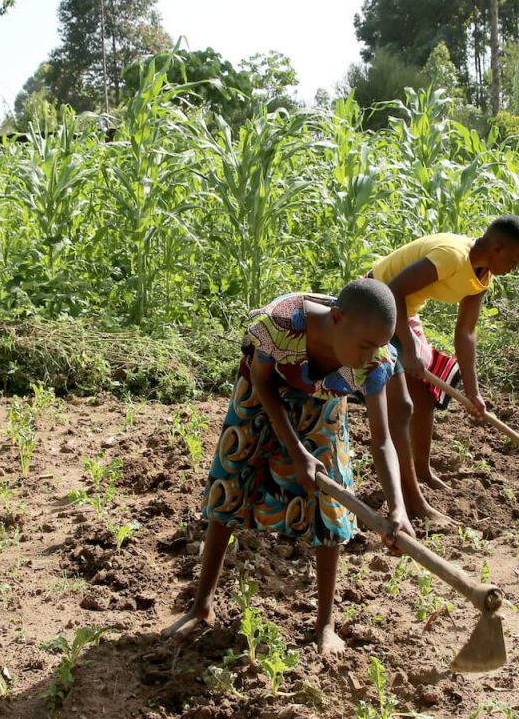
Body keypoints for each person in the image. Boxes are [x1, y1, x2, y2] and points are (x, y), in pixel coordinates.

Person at [162, 278, 413, 654]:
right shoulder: (280, 324)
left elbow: (381, 439)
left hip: (323, 401)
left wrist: (398, 507)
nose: (368, 357)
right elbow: (263, 383)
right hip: (261, 390)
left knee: (331, 503)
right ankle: (202, 606)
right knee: (233, 480)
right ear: (338, 318)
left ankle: (326, 624)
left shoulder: (374, 358)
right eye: (364, 346)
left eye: (378, 346)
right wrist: (296, 452)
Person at [372, 216, 519, 501]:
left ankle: (421, 472)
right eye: (514, 260)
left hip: (404, 312)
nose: (515, 268)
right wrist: (409, 350)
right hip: (375, 302)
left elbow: (466, 332)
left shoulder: (482, 278)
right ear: (497, 248)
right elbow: (393, 290)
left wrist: (473, 392)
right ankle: (408, 488)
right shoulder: (452, 256)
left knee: (423, 398)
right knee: (408, 403)